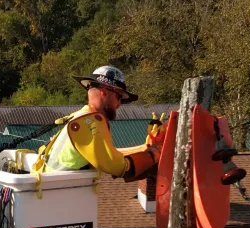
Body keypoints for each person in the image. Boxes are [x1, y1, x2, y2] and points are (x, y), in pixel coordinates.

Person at [32, 65, 165, 181]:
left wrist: (144, 147)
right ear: (104, 92)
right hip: (59, 197)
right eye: (119, 97)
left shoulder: (80, 117)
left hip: (53, 194)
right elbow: (117, 165)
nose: (119, 104)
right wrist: (154, 154)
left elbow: (110, 154)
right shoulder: (90, 122)